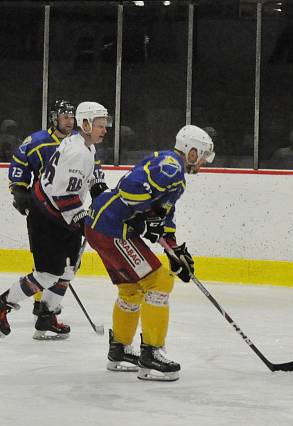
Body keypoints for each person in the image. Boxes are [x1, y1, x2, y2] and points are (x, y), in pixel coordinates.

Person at [84, 125, 214, 382]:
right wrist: (145, 220)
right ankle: (151, 355)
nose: (203, 162)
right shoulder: (170, 166)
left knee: (132, 288)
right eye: (202, 156)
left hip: (101, 224)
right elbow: (129, 188)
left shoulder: (173, 170)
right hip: (113, 228)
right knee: (160, 281)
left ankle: (119, 350)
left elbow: (163, 212)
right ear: (191, 151)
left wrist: (174, 249)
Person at [0, 102, 109, 340]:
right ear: (87, 124)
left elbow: (85, 180)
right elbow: (63, 195)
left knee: (69, 269)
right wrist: (85, 221)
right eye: (101, 125)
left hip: (62, 216)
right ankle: (3, 304)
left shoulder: (84, 145)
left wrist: (99, 191)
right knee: (47, 274)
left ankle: (46, 317)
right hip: (47, 217)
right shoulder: (76, 151)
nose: (105, 130)